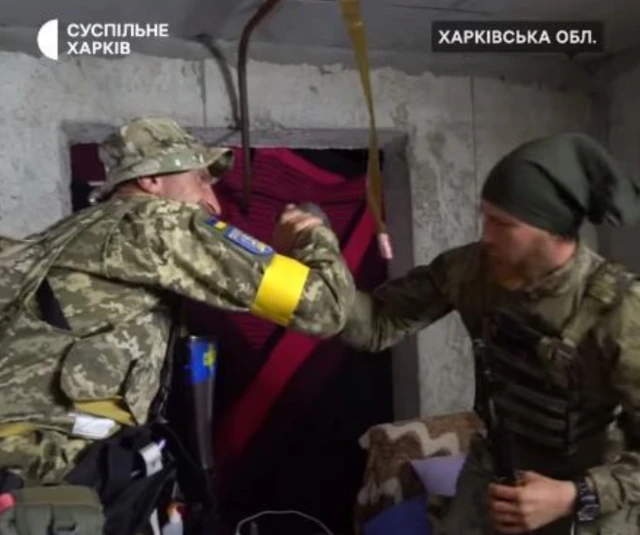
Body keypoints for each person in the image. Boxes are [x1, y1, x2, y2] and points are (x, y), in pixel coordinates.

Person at [0, 116, 355, 490]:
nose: (212, 201)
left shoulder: (66, 233)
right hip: (50, 469)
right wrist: (312, 235)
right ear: (151, 180)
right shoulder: (158, 222)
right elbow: (327, 306)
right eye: (200, 178)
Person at [338, 133, 640, 534]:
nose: (486, 235)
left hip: (584, 496)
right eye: (485, 217)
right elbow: (376, 324)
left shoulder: (620, 310)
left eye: (503, 223)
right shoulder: (473, 270)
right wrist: (317, 261)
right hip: (494, 472)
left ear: (553, 232)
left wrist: (575, 494)